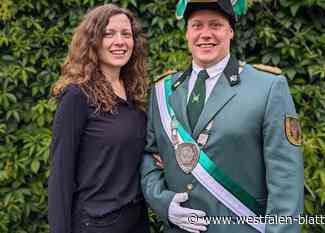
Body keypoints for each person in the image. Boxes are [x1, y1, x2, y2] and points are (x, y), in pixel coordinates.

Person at [140, 0, 304, 233]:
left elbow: (286, 179)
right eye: (197, 25)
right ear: (187, 33)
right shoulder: (162, 92)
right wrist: (163, 203)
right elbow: (150, 156)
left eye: (215, 25)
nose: (205, 34)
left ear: (231, 31)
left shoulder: (267, 87)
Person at [48, 4, 149, 233]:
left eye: (126, 34)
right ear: (92, 41)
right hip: (95, 224)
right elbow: (60, 177)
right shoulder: (77, 96)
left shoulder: (134, 93)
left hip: (136, 221)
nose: (120, 41)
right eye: (108, 34)